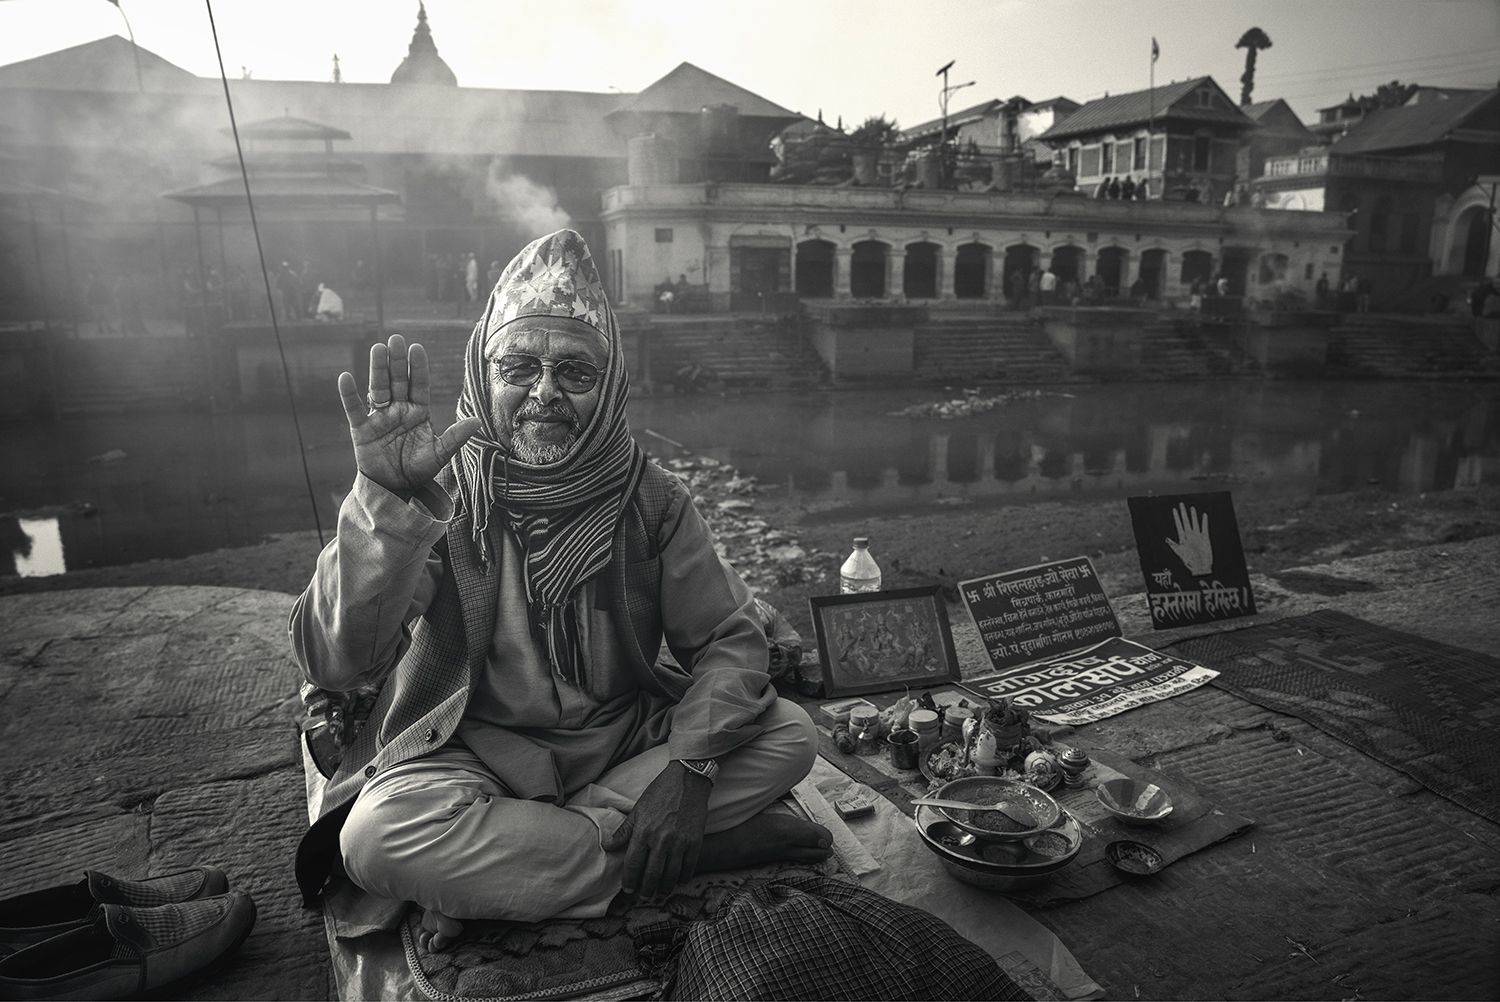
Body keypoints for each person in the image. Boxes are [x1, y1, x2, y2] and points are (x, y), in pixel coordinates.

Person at [290, 229, 828, 945]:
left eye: (574, 373)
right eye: (520, 366)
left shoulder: (651, 499)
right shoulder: (438, 491)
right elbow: (335, 662)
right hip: (473, 751)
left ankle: (514, 874)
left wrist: (692, 770)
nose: (544, 393)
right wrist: (382, 506)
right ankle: (678, 851)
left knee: (792, 735)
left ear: (609, 389)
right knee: (376, 839)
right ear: (485, 376)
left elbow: (729, 638)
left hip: (620, 740)